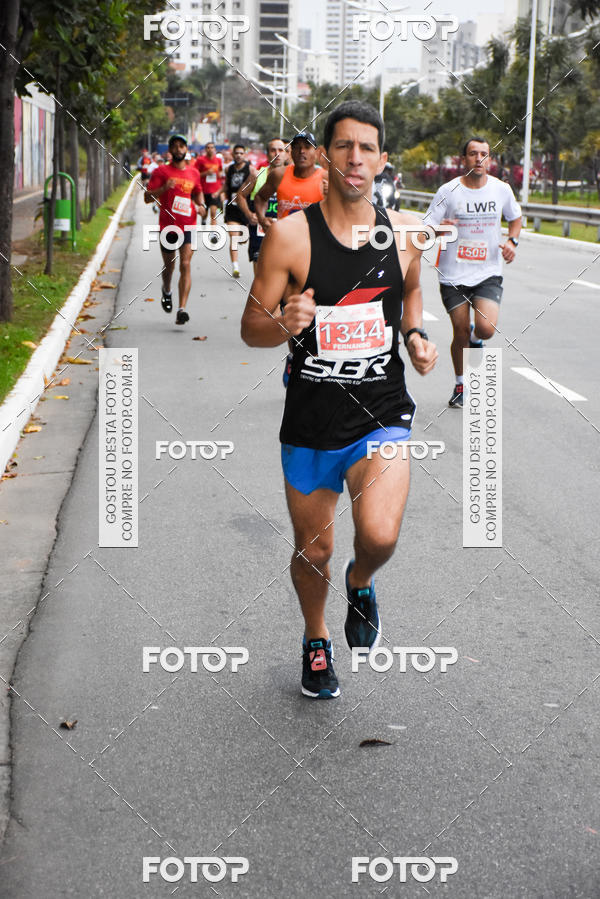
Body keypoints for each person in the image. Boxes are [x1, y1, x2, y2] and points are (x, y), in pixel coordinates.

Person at [240, 100, 438, 700]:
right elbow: (251, 329)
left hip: (382, 410)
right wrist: (285, 321)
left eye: (367, 148)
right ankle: (317, 637)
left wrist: (415, 335)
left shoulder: (404, 234)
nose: (356, 157)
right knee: (315, 548)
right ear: (326, 155)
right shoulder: (290, 237)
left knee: (377, 535)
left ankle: (362, 580)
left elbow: (408, 294)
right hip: (310, 419)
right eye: (344, 145)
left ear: (381, 160)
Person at [424, 137, 522, 407]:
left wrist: (512, 241)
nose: (478, 158)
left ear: (489, 159)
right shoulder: (448, 190)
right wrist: (439, 228)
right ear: (463, 159)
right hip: (452, 274)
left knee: (486, 328)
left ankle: (477, 338)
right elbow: (426, 228)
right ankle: (460, 384)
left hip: (488, 271)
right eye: (472, 154)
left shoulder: (501, 190)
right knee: (459, 331)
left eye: (484, 154)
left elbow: (515, 217)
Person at [254, 131, 327, 385]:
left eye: (307, 147)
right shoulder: (278, 175)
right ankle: (295, 358)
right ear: (290, 152)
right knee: (292, 313)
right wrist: (263, 219)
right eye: (296, 147)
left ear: (317, 152)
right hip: (286, 256)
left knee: (317, 314)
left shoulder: (326, 179)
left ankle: (310, 360)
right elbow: (261, 197)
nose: (301, 152)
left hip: (318, 256)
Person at [145, 133, 206, 325]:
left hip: (189, 225)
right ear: (170, 150)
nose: (179, 149)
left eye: (182, 146)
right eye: (175, 146)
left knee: (186, 264)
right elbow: (147, 198)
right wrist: (163, 188)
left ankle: (182, 309)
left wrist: (201, 205)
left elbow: (197, 193)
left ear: (186, 149)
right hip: (168, 226)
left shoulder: (194, 173)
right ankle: (166, 289)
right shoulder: (161, 172)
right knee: (170, 266)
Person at [235, 137, 290, 273]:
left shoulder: (294, 176)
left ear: (287, 154)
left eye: (280, 150)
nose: (276, 153)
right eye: (272, 150)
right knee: (260, 276)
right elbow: (240, 196)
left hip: (285, 233)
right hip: (259, 233)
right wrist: (249, 214)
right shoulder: (257, 175)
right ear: (267, 154)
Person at [222, 144, 255, 278]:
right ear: (233, 154)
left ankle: (244, 237)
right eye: (236, 153)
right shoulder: (228, 169)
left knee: (244, 238)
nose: (239, 155)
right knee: (234, 237)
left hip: (246, 208)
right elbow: (226, 185)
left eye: (241, 153)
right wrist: (219, 193)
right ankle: (235, 266)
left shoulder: (251, 170)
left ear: (244, 155)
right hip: (231, 208)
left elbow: (254, 187)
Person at [195, 141, 224, 239]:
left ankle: (213, 234)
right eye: (208, 147)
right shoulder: (200, 160)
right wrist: (206, 173)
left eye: (212, 147)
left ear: (215, 149)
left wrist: (221, 189)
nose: (210, 149)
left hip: (215, 191)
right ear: (205, 149)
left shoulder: (218, 160)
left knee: (213, 213)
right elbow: (195, 174)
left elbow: (220, 172)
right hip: (203, 191)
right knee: (205, 213)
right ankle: (203, 220)